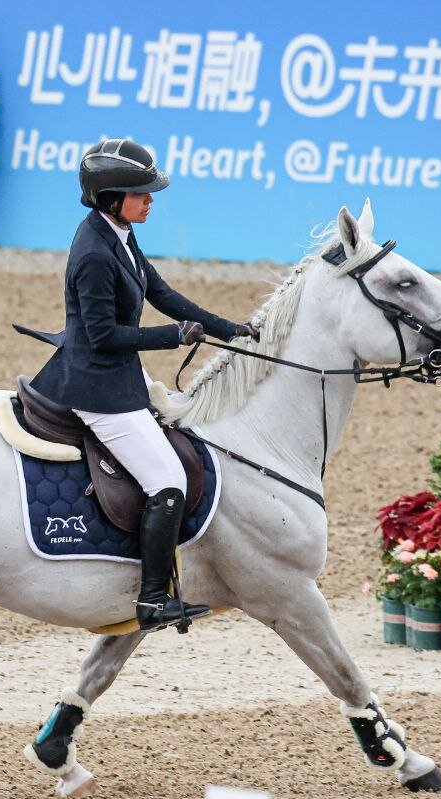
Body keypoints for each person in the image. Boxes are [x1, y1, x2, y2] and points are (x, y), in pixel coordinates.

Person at [27, 138, 258, 631]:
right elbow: (103, 335)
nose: (151, 200)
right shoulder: (92, 252)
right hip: (97, 388)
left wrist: (226, 328)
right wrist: (173, 337)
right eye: (142, 193)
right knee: (167, 480)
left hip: (119, 376)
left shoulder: (120, 234)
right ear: (112, 196)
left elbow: (162, 292)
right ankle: (153, 599)